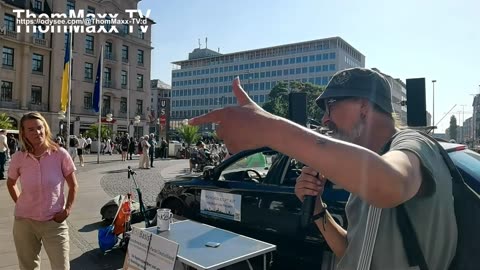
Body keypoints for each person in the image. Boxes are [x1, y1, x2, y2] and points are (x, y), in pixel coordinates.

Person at [189, 68, 457, 269]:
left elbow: (392, 184)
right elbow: (352, 251)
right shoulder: (366, 167)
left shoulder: (413, 143)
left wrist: (270, 129)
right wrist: (318, 211)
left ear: (364, 107)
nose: (325, 118)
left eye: (331, 105)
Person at [6, 112, 78, 270]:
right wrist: (20, 203)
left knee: (61, 266)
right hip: (25, 223)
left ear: (45, 128)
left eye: (39, 128)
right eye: (30, 129)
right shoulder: (19, 157)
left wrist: (67, 210)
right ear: (23, 132)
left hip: (54, 221)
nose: (36, 132)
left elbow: (73, 185)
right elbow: (10, 183)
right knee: (28, 267)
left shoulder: (60, 154)